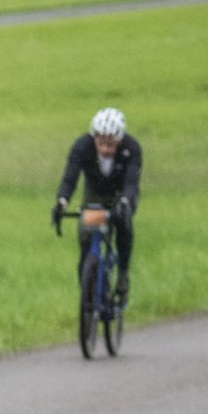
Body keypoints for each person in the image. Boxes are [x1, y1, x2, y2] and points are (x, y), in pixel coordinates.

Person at [55, 107, 141, 302]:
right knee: (86, 237)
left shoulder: (131, 149)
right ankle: (88, 293)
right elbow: (70, 178)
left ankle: (122, 274)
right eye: (100, 143)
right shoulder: (82, 146)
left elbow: (131, 183)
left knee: (124, 225)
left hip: (121, 194)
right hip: (94, 194)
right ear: (94, 137)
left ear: (119, 141)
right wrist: (62, 201)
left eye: (111, 144)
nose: (105, 149)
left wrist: (126, 202)